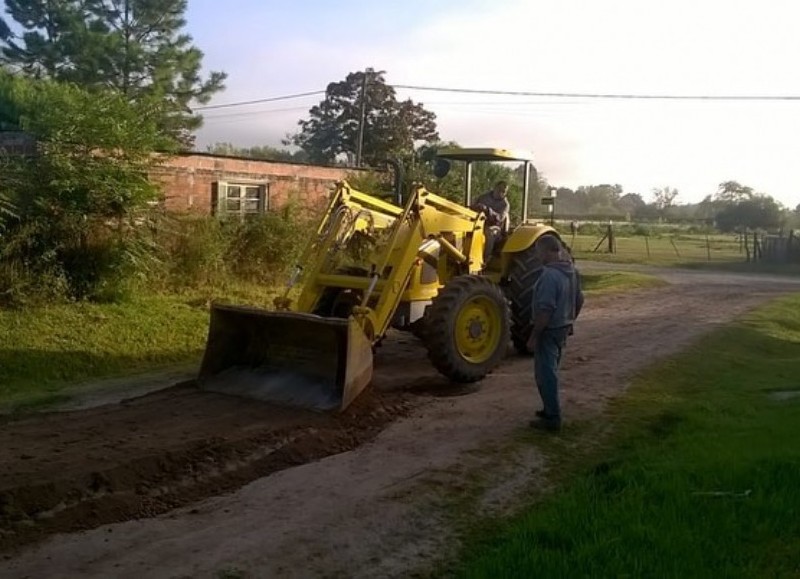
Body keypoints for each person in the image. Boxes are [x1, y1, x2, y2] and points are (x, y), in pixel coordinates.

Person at [526, 235, 584, 432]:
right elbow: (580, 299)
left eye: (539, 252)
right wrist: (570, 319)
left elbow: (545, 310)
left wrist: (534, 336)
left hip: (548, 330)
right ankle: (548, 408)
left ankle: (553, 418)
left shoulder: (550, 275)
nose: (537, 256)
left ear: (550, 251)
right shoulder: (571, 272)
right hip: (562, 328)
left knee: (545, 374)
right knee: (551, 369)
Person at [471, 180, 510, 266]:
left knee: (489, 232)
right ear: (494, 188)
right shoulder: (483, 197)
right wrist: (476, 207)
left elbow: (500, 218)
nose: (501, 192)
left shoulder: (504, 204)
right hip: (478, 222)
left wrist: (488, 210)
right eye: (499, 189)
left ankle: (484, 259)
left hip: (495, 227)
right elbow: (473, 207)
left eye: (504, 191)